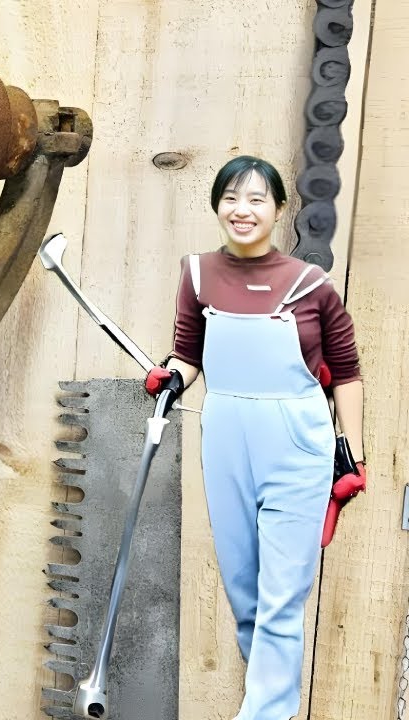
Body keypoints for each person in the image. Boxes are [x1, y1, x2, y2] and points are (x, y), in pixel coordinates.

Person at [144, 155, 366, 720]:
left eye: (256, 199)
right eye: (231, 198)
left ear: (278, 210)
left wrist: (352, 456)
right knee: (246, 595)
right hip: (225, 436)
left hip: (296, 441)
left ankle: (262, 714)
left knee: (281, 601)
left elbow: (346, 372)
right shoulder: (196, 274)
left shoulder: (311, 286)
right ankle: (275, 706)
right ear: (218, 205)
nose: (242, 211)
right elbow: (188, 353)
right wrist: (172, 376)